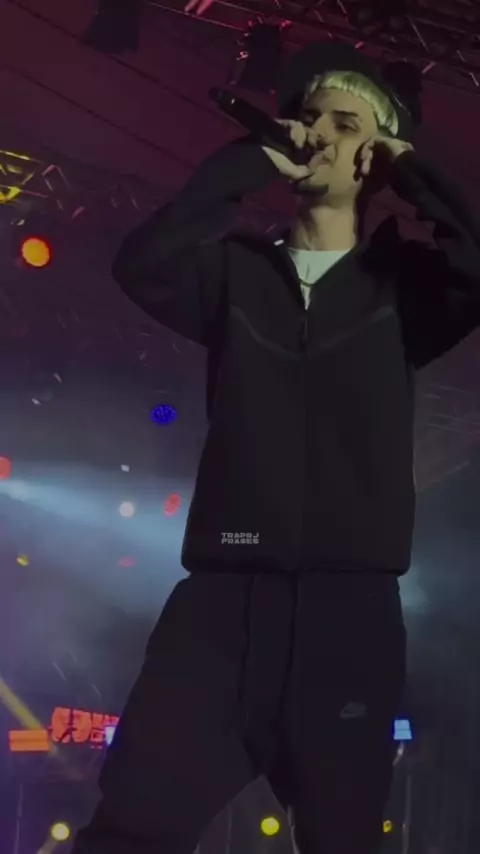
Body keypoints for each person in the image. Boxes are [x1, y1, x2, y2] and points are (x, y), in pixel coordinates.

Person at [72, 41, 480, 854]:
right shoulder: (235, 275)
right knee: (129, 829)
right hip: (219, 607)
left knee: (340, 839)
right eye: (309, 116)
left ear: (375, 154)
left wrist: (415, 170)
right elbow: (141, 265)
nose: (317, 132)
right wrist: (242, 162)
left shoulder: (402, 287)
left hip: (349, 613)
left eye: (345, 123)